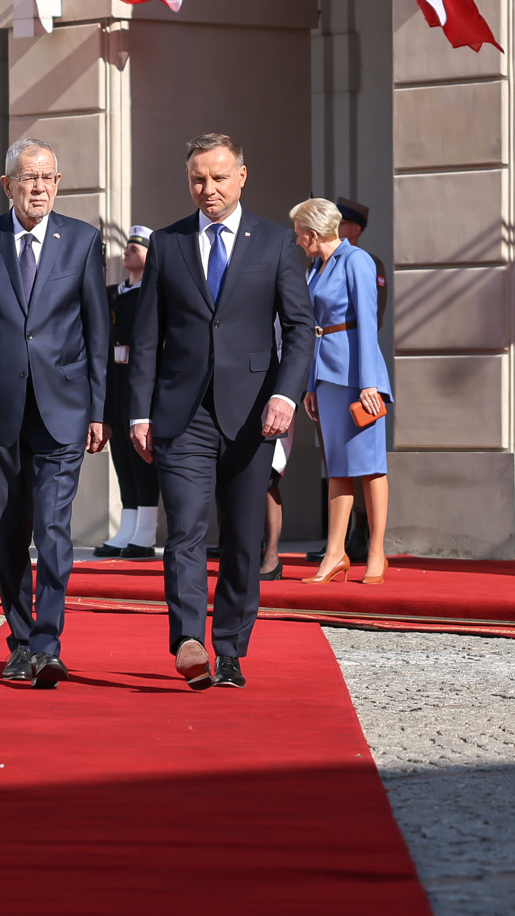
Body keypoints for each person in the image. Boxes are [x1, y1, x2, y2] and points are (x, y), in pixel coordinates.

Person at [128, 134, 314, 690]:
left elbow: (301, 329)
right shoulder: (168, 243)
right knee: (184, 528)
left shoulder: (277, 243)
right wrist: (139, 413)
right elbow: (146, 339)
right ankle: (189, 639)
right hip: (182, 414)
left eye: (217, 177)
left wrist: (284, 395)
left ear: (242, 176)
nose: (207, 189)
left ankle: (230, 648)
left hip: (255, 413)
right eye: (197, 180)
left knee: (242, 534)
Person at [0, 139, 109, 687]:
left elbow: (96, 334)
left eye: (46, 178)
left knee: (55, 528)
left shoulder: (83, 242)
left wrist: (99, 410)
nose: (38, 187)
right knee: (11, 530)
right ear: (7, 184)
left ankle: (47, 641)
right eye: (27, 177)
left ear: (58, 183)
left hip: (63, 409)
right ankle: (18, 642)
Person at [291, 198, 393, 585]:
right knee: (338, 467)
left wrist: (370, 382)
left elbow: (367, 324)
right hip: (329, 377)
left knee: (369, 467)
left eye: (301, 233)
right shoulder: (315, 268)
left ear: (313, 233)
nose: (298, 240)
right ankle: (335, 553)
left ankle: (376, 552)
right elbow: (314, 328)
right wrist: (311, 384)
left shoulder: (357, 261)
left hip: (357, 376)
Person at [95, 225, 158, 559]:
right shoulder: (113, 293)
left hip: (140, 379)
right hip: (116, 379)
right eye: (127, 246)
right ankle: (128, 524)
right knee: (120, 452)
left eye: (137, 246)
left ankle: (146, 530)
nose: (128, 251)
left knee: (142, 455)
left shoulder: (152, 291)